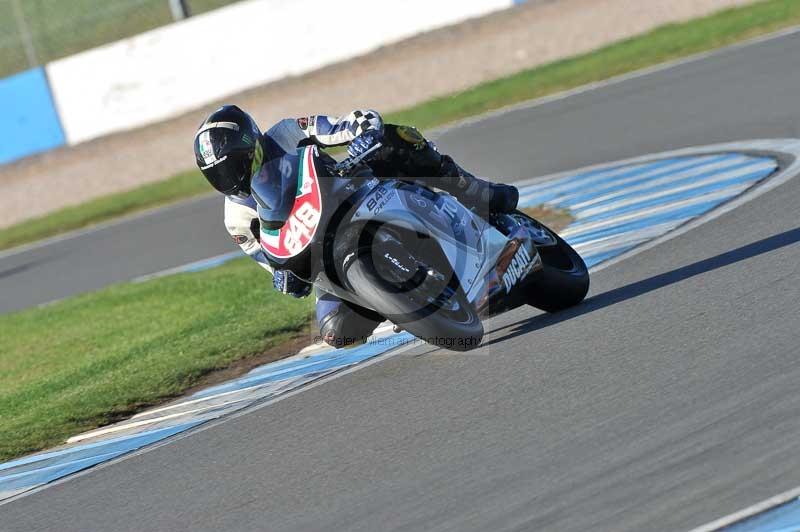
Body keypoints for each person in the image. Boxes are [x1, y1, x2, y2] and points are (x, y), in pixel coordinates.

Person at [193, 105, 518, 348]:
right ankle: (399, 300)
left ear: (253, 146)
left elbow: (350, 122)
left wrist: (363, 135)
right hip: (322, 253)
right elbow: (272, 260)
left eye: (234, 166)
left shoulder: (287, 133)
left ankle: (470, 188)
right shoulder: (236, 219)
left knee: (395, 139)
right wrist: (285, 279)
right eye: (218, 175)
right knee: (336, 331)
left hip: (357, 192)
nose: (231, 179)